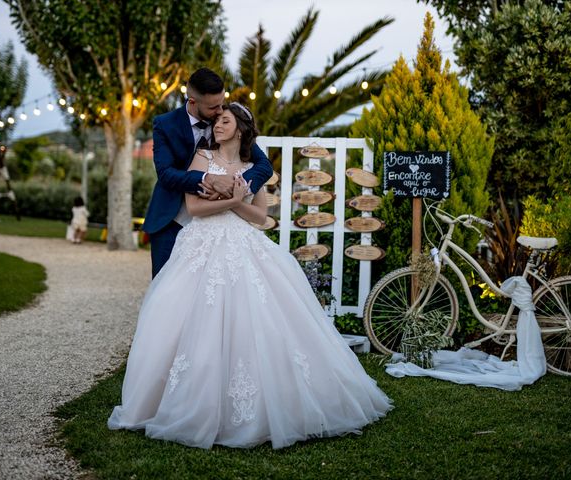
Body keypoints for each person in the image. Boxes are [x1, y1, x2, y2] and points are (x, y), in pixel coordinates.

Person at [108, 103, 392, 450]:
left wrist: (236, 197)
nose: (218, 126)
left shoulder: (253, 168)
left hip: (244, 242)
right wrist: (231, 200)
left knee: (258, 316)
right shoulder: (202, 157)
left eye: (225, 121)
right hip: (202, 243)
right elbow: (195, 208)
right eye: (216, 122)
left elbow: (259, 216)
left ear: (241, 128)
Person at [143, 67, 273, 278]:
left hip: (217, 224)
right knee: (166, 287)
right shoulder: (165, 124)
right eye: (214, 106)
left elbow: (264, 166)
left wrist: (233, 187)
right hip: (171, 218)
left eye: (222, 102)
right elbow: (166, 174)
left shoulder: (225, 123)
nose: (220, 110)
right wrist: (208, 178)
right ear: (193, 102)